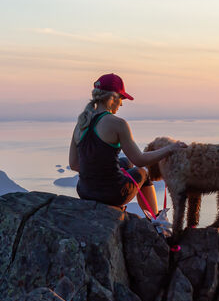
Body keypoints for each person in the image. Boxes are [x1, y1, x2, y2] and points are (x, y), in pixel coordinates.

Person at [69, 73, 186, 215]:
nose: (122, 103)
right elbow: (140, 160)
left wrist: (96, 174)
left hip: (85, 191)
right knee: (143, 173)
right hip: (112, 194)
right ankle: (155, 220)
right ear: (113, 97)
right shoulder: (118, 124)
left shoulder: (81, 123)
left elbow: (74, 164)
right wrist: (170, 149)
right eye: (121, 98)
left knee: (126, 163)